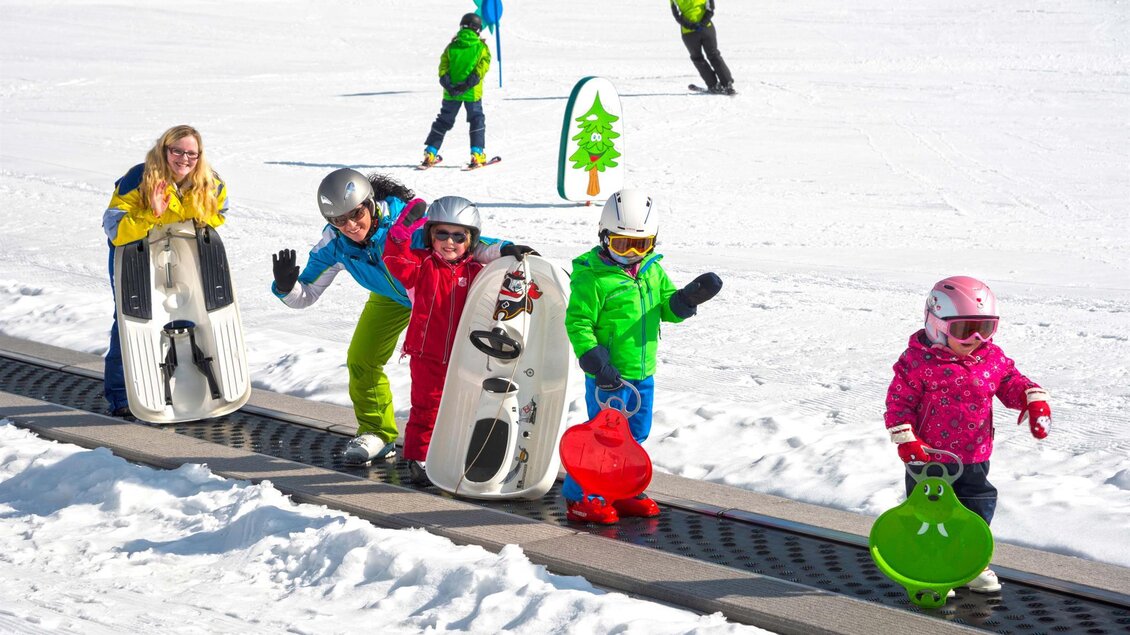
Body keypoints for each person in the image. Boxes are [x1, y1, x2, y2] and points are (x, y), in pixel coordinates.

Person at [270, 169, 523, 466]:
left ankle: (468, 439)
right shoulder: (334, 243)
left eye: (356, 214)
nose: (350, 225)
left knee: (458, 367)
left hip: (434, 294)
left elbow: (460, 240)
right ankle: (377, 432)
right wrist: (285, 287)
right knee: (362, 358)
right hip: (389, 298)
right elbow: (306, 294)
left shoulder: (406, 222)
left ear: (370, 203)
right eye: (338, 220)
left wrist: (503, 249)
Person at [562, 189, 723, 524]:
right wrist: (594, 360)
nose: (632, 253)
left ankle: (621, 490)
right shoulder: (593, 278)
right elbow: (578, 322)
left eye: (641, 245)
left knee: (634, 436)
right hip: (608, 376)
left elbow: (666, 308)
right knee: (604, 438)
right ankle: (583, 497)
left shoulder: (652, 271)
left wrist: (686, 300)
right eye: (622, 244)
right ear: (604, 237)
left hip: (642, 372)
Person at [884, 275, 1051, 594]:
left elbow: (1010, 382)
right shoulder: (917, 362)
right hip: (929, 458)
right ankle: (930, 565)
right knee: (930, 514)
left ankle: (970, 562)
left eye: (985, 328)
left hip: (975, 456)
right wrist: (906, 439)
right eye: (964, 329)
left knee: (976, 509)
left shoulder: (991, 357)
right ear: (936, 324)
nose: (976, 338)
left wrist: (1031, 398)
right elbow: (899, 402)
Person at [383, 196, 533, 484]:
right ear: (430, 235)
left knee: (467, 406)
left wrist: (513, 256)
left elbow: (503, 278)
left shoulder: (477, 271)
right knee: (427, 407)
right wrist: (399, 235)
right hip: (427, 354)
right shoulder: (422, 264)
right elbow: (395, 261)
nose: (449, 242)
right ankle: (419, 457)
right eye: (441, 234)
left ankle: (459, 455)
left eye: (458, 236)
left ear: (470, 240)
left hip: (467, 354)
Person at [101, 125, 229, 418]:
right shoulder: (139, 178)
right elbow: (114, 229)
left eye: (191, 154)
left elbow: (220, 212)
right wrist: (151, 213)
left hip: (183, 253)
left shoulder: (210, 182)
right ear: (164, 149)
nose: (184, 159)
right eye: (177, 151)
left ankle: (202, 392)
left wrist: (199, 217)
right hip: (136, 254)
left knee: (194, 315)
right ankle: (121, 396)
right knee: (133, 319)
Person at [421, 12, 492, 169]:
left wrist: (448, 84)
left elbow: (443, 67)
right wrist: (467, 84)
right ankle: (476, 154)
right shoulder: (481, 48)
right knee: (476, 119)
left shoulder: (452, 46)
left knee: (443, 120)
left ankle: (430, 152)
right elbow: (482, 69)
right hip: (472, 93)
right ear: (477, 29)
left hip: (451, 93)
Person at [670, 0, 735, 95]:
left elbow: (677, 15)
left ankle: (713, 85)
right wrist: (702, 24)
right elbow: (710, 9)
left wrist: (691, 26)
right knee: (714, 55)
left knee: (697, 58)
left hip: (689, 33)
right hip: (706, 29)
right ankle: (727, 84)